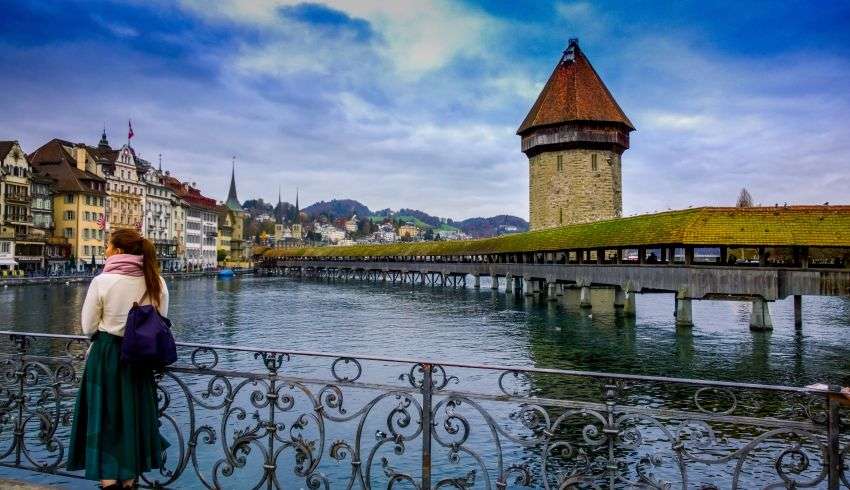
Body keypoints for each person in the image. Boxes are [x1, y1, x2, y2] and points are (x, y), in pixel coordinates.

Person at [67, 229, 170, 489]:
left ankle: (109, 483)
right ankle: (129, 483)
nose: (106, 250)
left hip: (107, 356)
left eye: (109, 246)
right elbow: (162, 321)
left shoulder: (103, 281)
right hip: (140, 359)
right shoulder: (155, 280)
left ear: (119, 251)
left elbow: (88, 326)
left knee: (105, 421)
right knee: (131, 419)